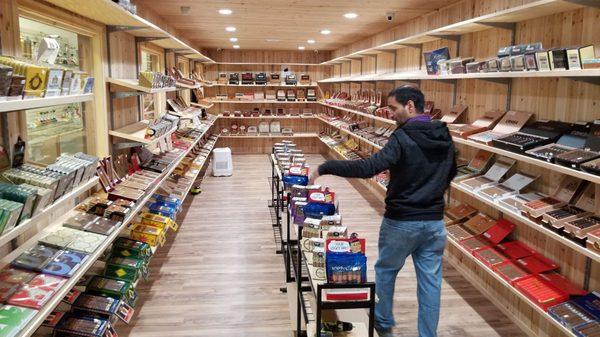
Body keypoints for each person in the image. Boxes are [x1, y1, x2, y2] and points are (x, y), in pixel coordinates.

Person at [309, 86, 457, 337]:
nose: (390, 114)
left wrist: (327, 167)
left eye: (394, 108)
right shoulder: (444, 135)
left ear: (410, 106)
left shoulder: (402, 136)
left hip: (401, 221)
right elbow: (451, 171)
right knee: (431, 283)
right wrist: (429, 188)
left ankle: (384, 323)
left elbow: (370, 167)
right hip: (433, 223)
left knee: (386, 272)